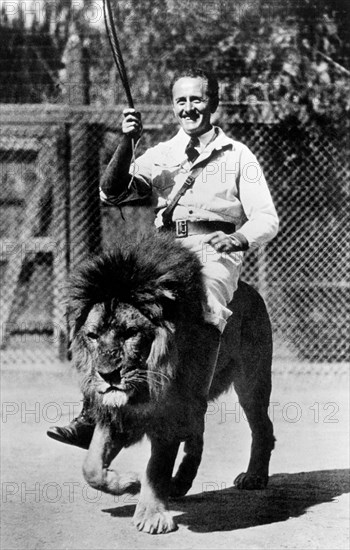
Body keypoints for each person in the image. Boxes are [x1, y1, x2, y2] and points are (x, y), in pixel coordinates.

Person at [47, 67, 279, 448]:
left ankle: (190, 408)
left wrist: (237, 237)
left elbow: (267, 218)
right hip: (163, 251)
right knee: (107, 305)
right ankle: (92, 414)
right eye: (181, 101)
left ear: (214, 103)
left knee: (207, 304)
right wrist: (127, 142)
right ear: (173, 106)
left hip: (212, 252)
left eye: (197, 100)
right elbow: (112, 192)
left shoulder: (238, 156)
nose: (189, 109)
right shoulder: (162, 154)